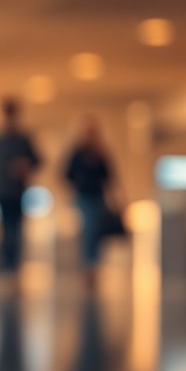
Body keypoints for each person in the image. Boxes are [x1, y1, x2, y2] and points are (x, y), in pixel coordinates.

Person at [0, 98, 41, 286]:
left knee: (16, 231)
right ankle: (7, 268)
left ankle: (14, 268)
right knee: (5, 232)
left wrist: (25, 166)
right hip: (1, 192)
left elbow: (37, 160)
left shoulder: (23, 139)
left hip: (17, 192)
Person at [64, 116, 116, 291]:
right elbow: (66, 174)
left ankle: (93, 264)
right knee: (90, 227)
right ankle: (88, 265)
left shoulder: (100, 153)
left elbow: (109, 177)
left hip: (98, 196)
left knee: (95, 230)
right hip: (83, 196)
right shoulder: (77, 153)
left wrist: (115, 198)